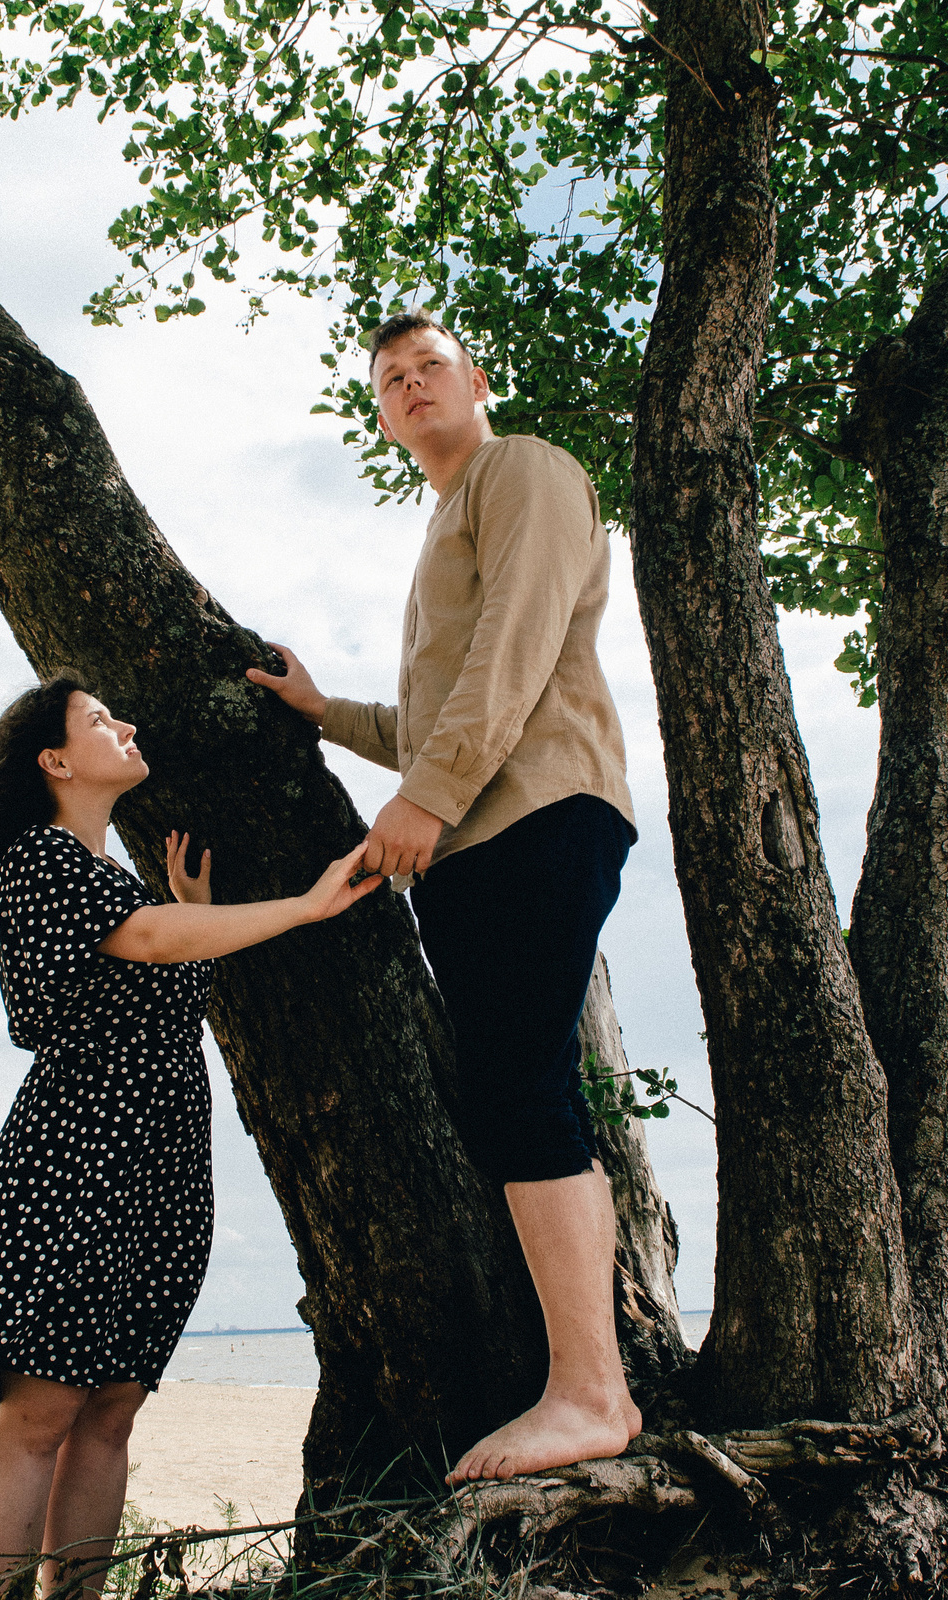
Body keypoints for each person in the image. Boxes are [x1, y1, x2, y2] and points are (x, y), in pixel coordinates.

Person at [245, 308, 642, 1484]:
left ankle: (592, 1392)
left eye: (431, 366)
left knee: (524, 1090)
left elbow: (515, 643)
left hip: (531, 814)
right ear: (381, 415)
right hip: (475, 832)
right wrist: (326, 715)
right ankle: (581, 1379)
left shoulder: (525, 470)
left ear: (477, 381)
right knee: (511, 1091)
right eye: (391, 379)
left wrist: (426, 796)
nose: (413, 384)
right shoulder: (447, 516)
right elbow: (436, 710)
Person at [0, 674, 380, 1600]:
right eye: (100, 720)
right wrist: (302, 905)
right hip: (74, 1163)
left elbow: (157, 945)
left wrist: (191, 909)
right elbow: (145, 941)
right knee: (42, 1410)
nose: (126, 724)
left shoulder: (118, 886)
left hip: (162, 1171)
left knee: (111, 1410)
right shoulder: (40, 860)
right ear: (55, 761)